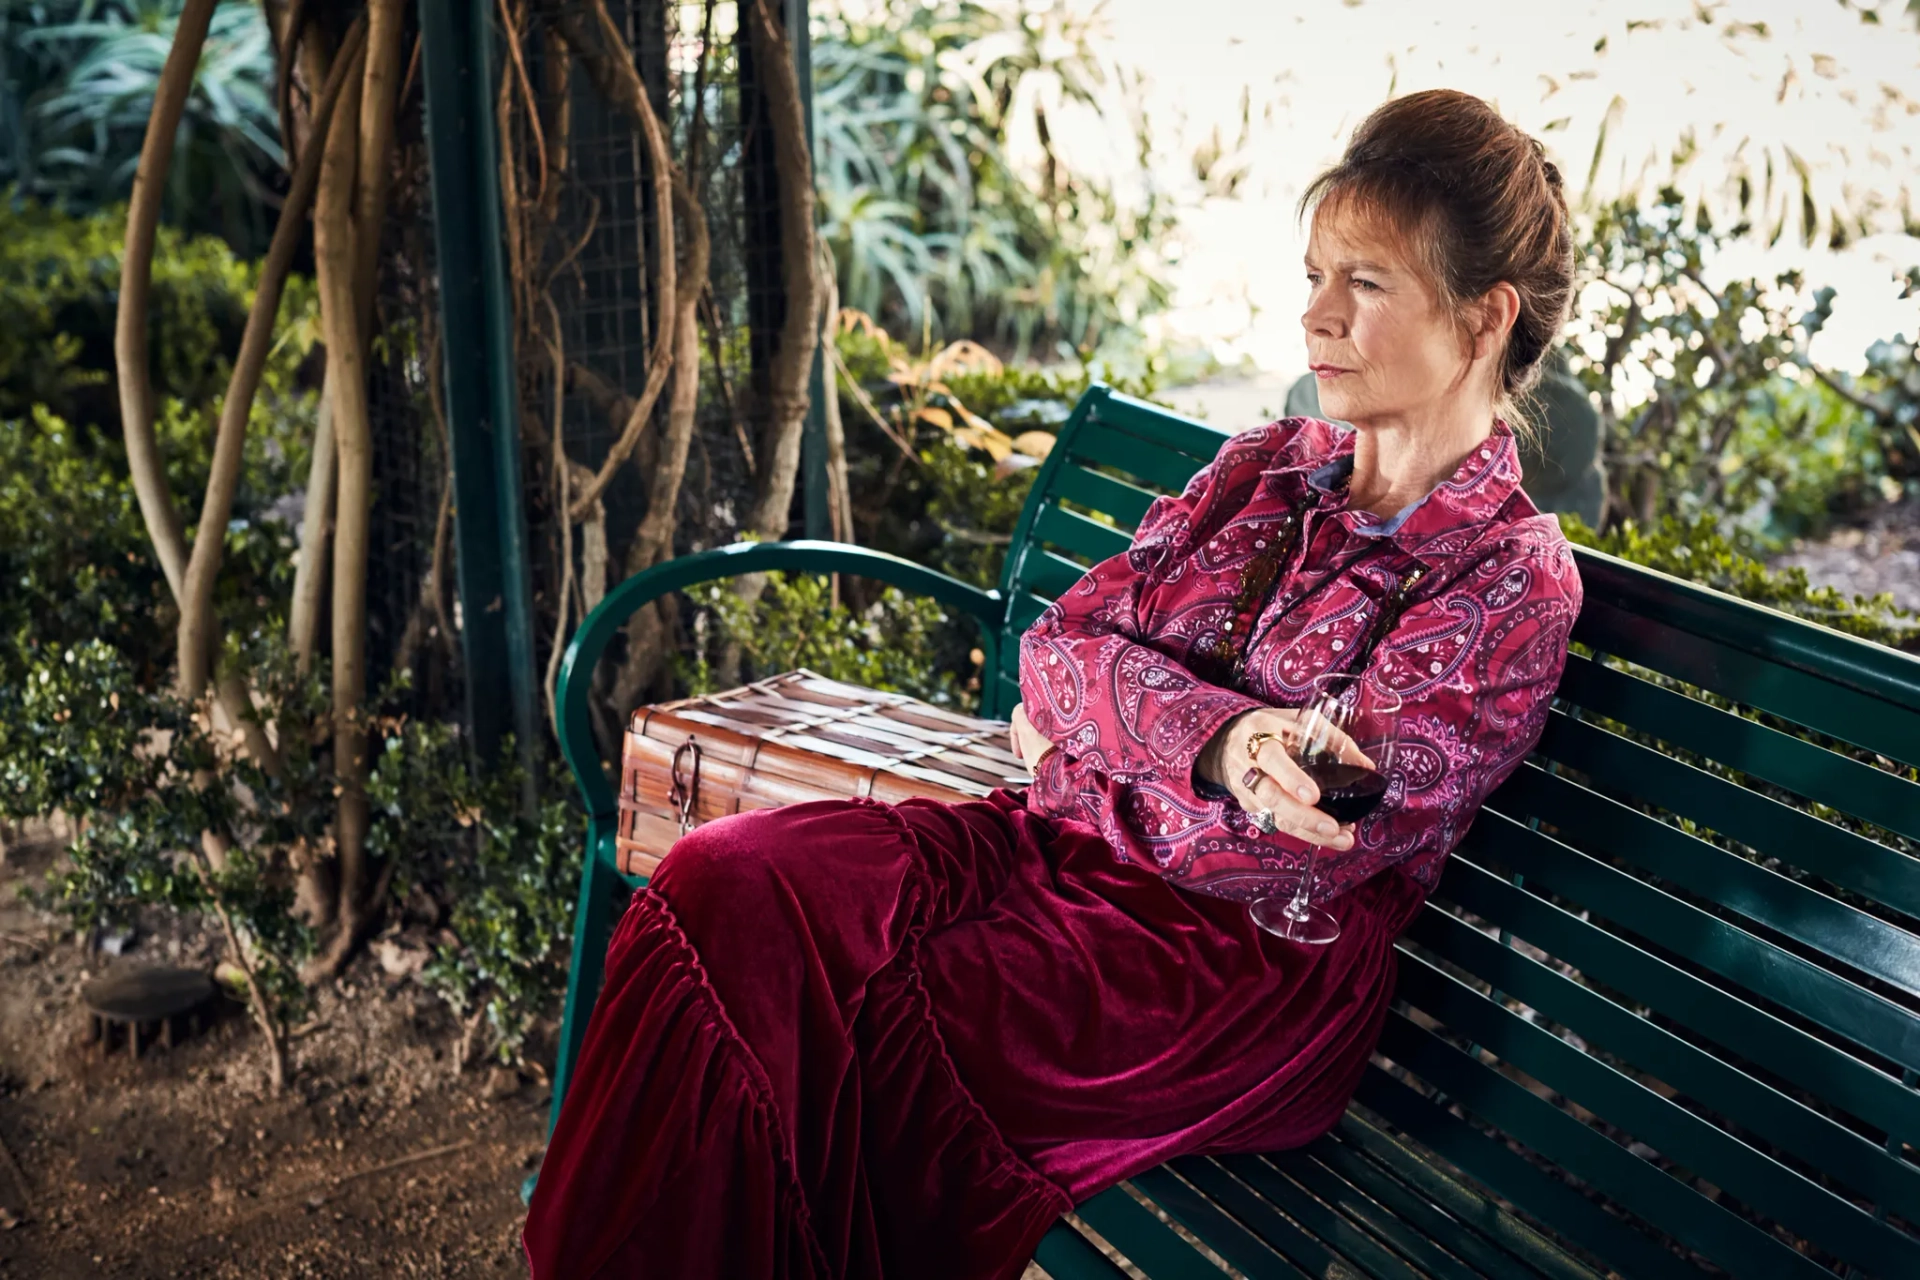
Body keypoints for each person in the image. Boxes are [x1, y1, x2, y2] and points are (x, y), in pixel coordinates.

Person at [523, 88, 1584, 1280]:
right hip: (1052, 857)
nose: (1315, 314)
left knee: (862, 1014)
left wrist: (1082, 750)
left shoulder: (1506, 581)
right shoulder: (1264, 468)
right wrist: (1221, 744)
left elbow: (1294, 847)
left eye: (1366, 282)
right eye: (1314, 273)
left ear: (1485, 315)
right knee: (728, 882)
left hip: (1231, 970)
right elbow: (1058, 646)